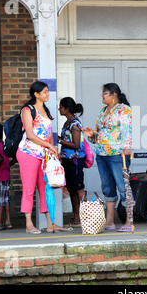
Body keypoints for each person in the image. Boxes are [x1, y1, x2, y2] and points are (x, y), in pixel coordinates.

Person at [82, 83, 133, 232]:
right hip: (102, 153)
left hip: (117, 153)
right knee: (107, 187)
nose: (102, 96)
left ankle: (129, 221)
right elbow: (99, 134)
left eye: (105, 93)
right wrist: (92, 135)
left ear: (114, 95)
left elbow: (126, 131)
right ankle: (109, 221)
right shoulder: (102, 111)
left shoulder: (124, 110)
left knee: (123, 185)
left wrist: (127, 148)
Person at [16, 81, 66, 234]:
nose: (47, 94)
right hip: (28, 153)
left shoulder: (46, 110)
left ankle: (51, 223)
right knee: (29, 188)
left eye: (47, 91)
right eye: (44, 92)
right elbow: (30, 135)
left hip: (43, 155)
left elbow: (49, 132)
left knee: (45, 188)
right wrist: (49, 145)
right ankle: (29, 223)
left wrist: (51, 149)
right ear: (36, 94)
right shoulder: (27, 110)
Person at [58, 97, 85, 228]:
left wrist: (59, 141)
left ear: (67, 109)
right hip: (67, 160)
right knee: (71, 189)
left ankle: (83, 218)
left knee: (78, 188)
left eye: (61, 107)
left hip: (75, 160)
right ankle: (76, 217)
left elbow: (75, 144)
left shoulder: (74, 124)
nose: (59, 109)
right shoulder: (67, 122)